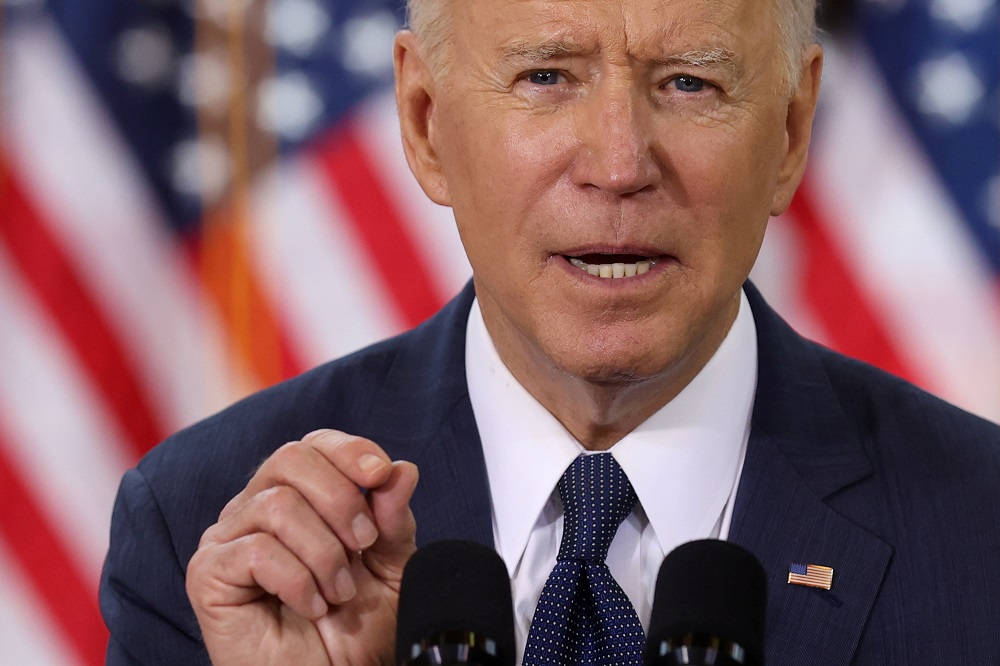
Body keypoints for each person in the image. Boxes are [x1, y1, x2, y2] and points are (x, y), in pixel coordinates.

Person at [100, 0, 1000, 663]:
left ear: (794, 130)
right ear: (425, 124)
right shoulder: (210, 540)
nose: (617, 165)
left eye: (690, 82)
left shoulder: (980, 535)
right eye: (545, 77)